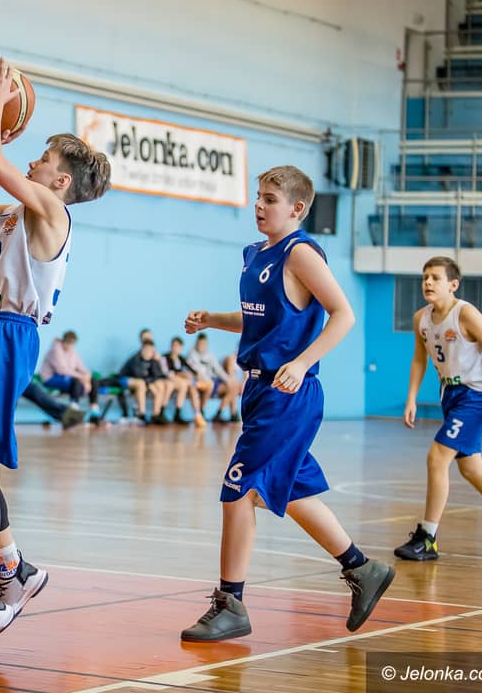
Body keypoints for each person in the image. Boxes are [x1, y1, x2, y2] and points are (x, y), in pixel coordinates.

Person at [0, 58, 110, 666]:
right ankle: (17, 569)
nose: (31, 161)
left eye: (42, 158)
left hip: (10, 334)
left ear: (60, 181)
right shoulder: (14, 213)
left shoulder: (52, 213)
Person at [180, 165, 394, 642]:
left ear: (297, 208)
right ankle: (363, 569)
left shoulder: (301, 253)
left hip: (288, 392)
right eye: (258, 196)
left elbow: (343, 314)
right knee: (291, 490)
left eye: (270, 199)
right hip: (260, 390)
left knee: (239, 491)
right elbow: (262, 319)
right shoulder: (255, 254)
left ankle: (231, 603)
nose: (259, 205)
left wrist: (302, 362)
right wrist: (213, 318)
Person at [396, 256, 482, 561]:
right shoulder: (421, 319)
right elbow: (419, 359)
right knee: (471, 469)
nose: (428, 282)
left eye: (435, 278)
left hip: (475, 395)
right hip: (450, 395)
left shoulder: (465, 314)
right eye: (425, 277)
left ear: (453, 285)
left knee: (437, 458)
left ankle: (428, 537)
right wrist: (411, 398)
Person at [39, 330, 98, 416]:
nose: (71, 345)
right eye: (69, 342)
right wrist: (82, 378)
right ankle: (74, 409)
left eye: (73, 343)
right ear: (64, 341)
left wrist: (87, 376)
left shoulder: (73, 351)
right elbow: (62, 370)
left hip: (68, 378)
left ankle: (94, 410)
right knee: (76, 381)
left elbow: (81, 367)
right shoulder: (55, 350)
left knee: (93, 381)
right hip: (50, 379)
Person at [187, 332, 240, 422]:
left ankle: (218, 413)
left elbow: (218, 370)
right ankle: (200, 412)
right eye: (200, 343)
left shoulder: (210, 355)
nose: (202, 346)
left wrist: (228, 380)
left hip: (212, 381)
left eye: (204, 344)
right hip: (200, 383)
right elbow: (194, 371)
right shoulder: (191, 355)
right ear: (196, 343)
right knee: (208, 385)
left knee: (234, 387)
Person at [118, 340, 172, 425]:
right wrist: (149, 384)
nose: (148, 352)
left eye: (151, 350)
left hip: (143, 381)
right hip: (125, 379)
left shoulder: (153, 360)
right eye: (146, 349)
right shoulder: (136, 358)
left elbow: (157, 375)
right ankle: (142, 414)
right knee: (141, 384)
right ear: (142, 349)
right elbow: (138, 375)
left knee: (160, 385)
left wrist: (158, 361)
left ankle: (155, 415)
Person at [164, 336, 205, 426]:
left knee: (192, 387)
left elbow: (192, 369)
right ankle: (177, 413)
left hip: (183, 383)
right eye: (174, 346)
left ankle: (198, 414)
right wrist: (182, 374)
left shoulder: (181, 359)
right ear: (171, 346)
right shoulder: (165, 357)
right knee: (186, 383)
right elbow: (167, 373)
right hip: (170, 381)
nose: (176, 348)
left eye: (178, 346)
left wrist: (197, 375)